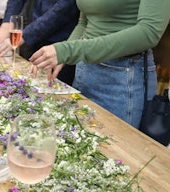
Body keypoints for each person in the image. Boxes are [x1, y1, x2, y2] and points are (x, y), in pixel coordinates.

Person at [29, 0, 170, 128]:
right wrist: (62, 56)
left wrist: (68, 51)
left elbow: (149, 33)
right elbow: (84, 23)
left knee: (116, 152)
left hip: (123, 79)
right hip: (85, 71)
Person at [0, 0, 79, 84]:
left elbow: (63, 10)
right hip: (33, 34)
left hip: (61, 43)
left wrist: (23, 36)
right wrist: (6, 25)